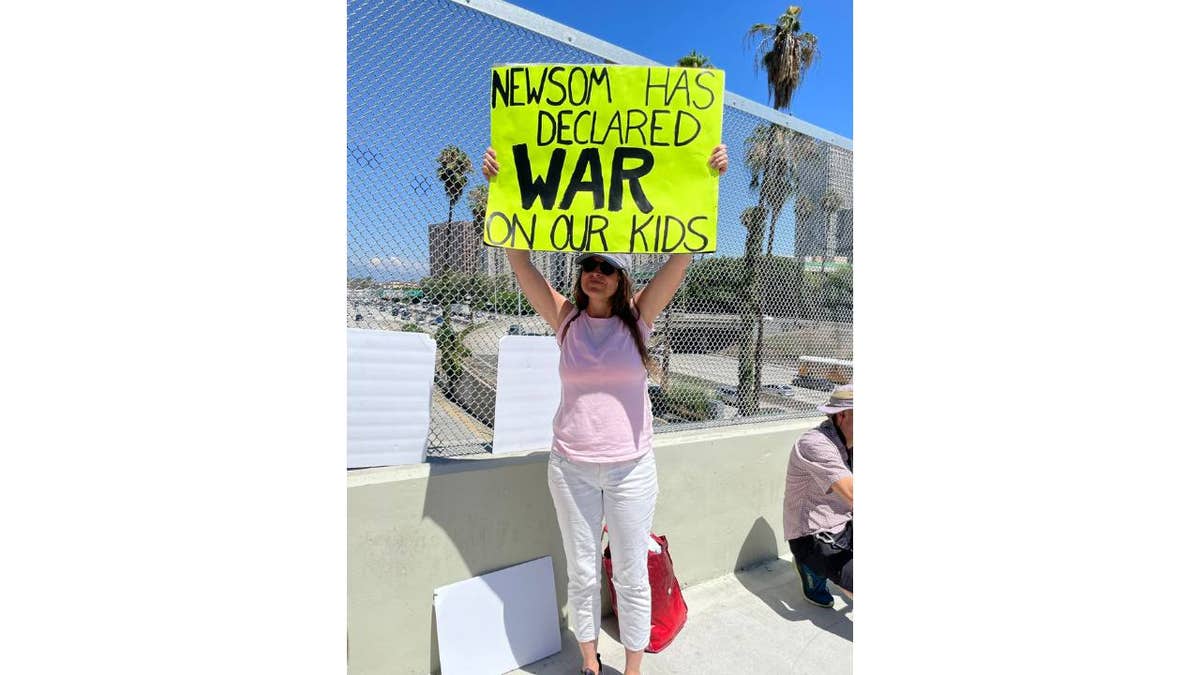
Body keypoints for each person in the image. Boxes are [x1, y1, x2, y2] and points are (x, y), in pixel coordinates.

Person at [481, 143, 728, 675]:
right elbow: (518, 260)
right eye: (589, 265)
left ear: (620, 280)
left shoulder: (638, 320)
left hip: (631, 468)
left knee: (632, 573)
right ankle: (591, 665)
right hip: (570, 468)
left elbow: (681, 256)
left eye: (607, 268)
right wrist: (502, 189)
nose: (596, 273)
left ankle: (633, 668)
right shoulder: (565, 318)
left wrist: (708, 181)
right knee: (584, 571)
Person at [783, 384, 854, 607]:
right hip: (814, 532)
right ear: (843, 415)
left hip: (846, 520)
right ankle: (809, 566)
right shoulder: (814, 443)